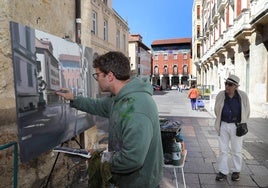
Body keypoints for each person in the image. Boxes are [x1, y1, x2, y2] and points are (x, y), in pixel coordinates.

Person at [57, 51, 163, 188]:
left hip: (138, 183)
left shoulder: (136, 109)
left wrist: (101, 159)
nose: (97, 79)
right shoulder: (119, 99)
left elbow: (132, 159)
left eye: (98, 75)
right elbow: (97, 105)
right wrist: (73, 98)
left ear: (110, 76)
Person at [214, 74, 250, 182]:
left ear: (235, 86)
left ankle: (236, 171)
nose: (227, 86)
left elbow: (247, 111)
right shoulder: (221, 95)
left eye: (230, 84)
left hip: (236, 126)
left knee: (237, 150)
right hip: (223, 125)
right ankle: (223, 171)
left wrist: (242, 122)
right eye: (226, 84)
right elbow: (216, 109)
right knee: (223, 150)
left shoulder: (242, 96)